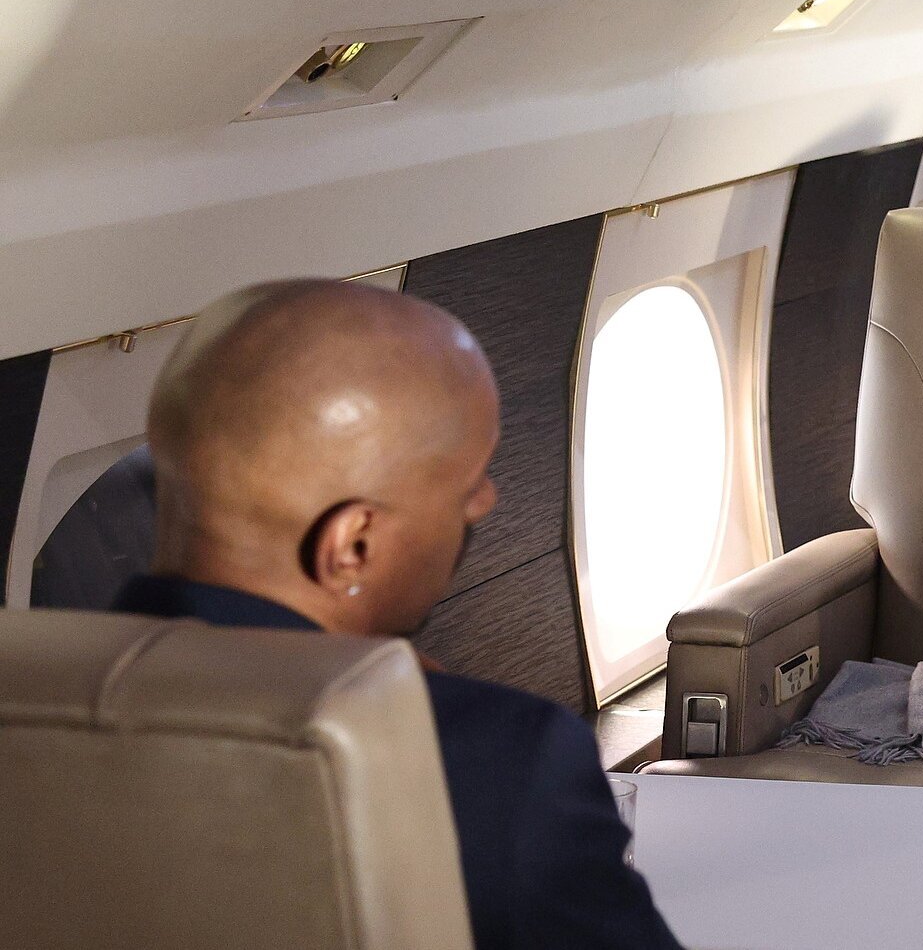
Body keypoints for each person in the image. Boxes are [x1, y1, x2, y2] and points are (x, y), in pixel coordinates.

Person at [112, 279, 683, 950]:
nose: (487, 501)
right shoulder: (489, 759)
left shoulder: (30, 695)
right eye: (465, 485)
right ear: (352, 545)